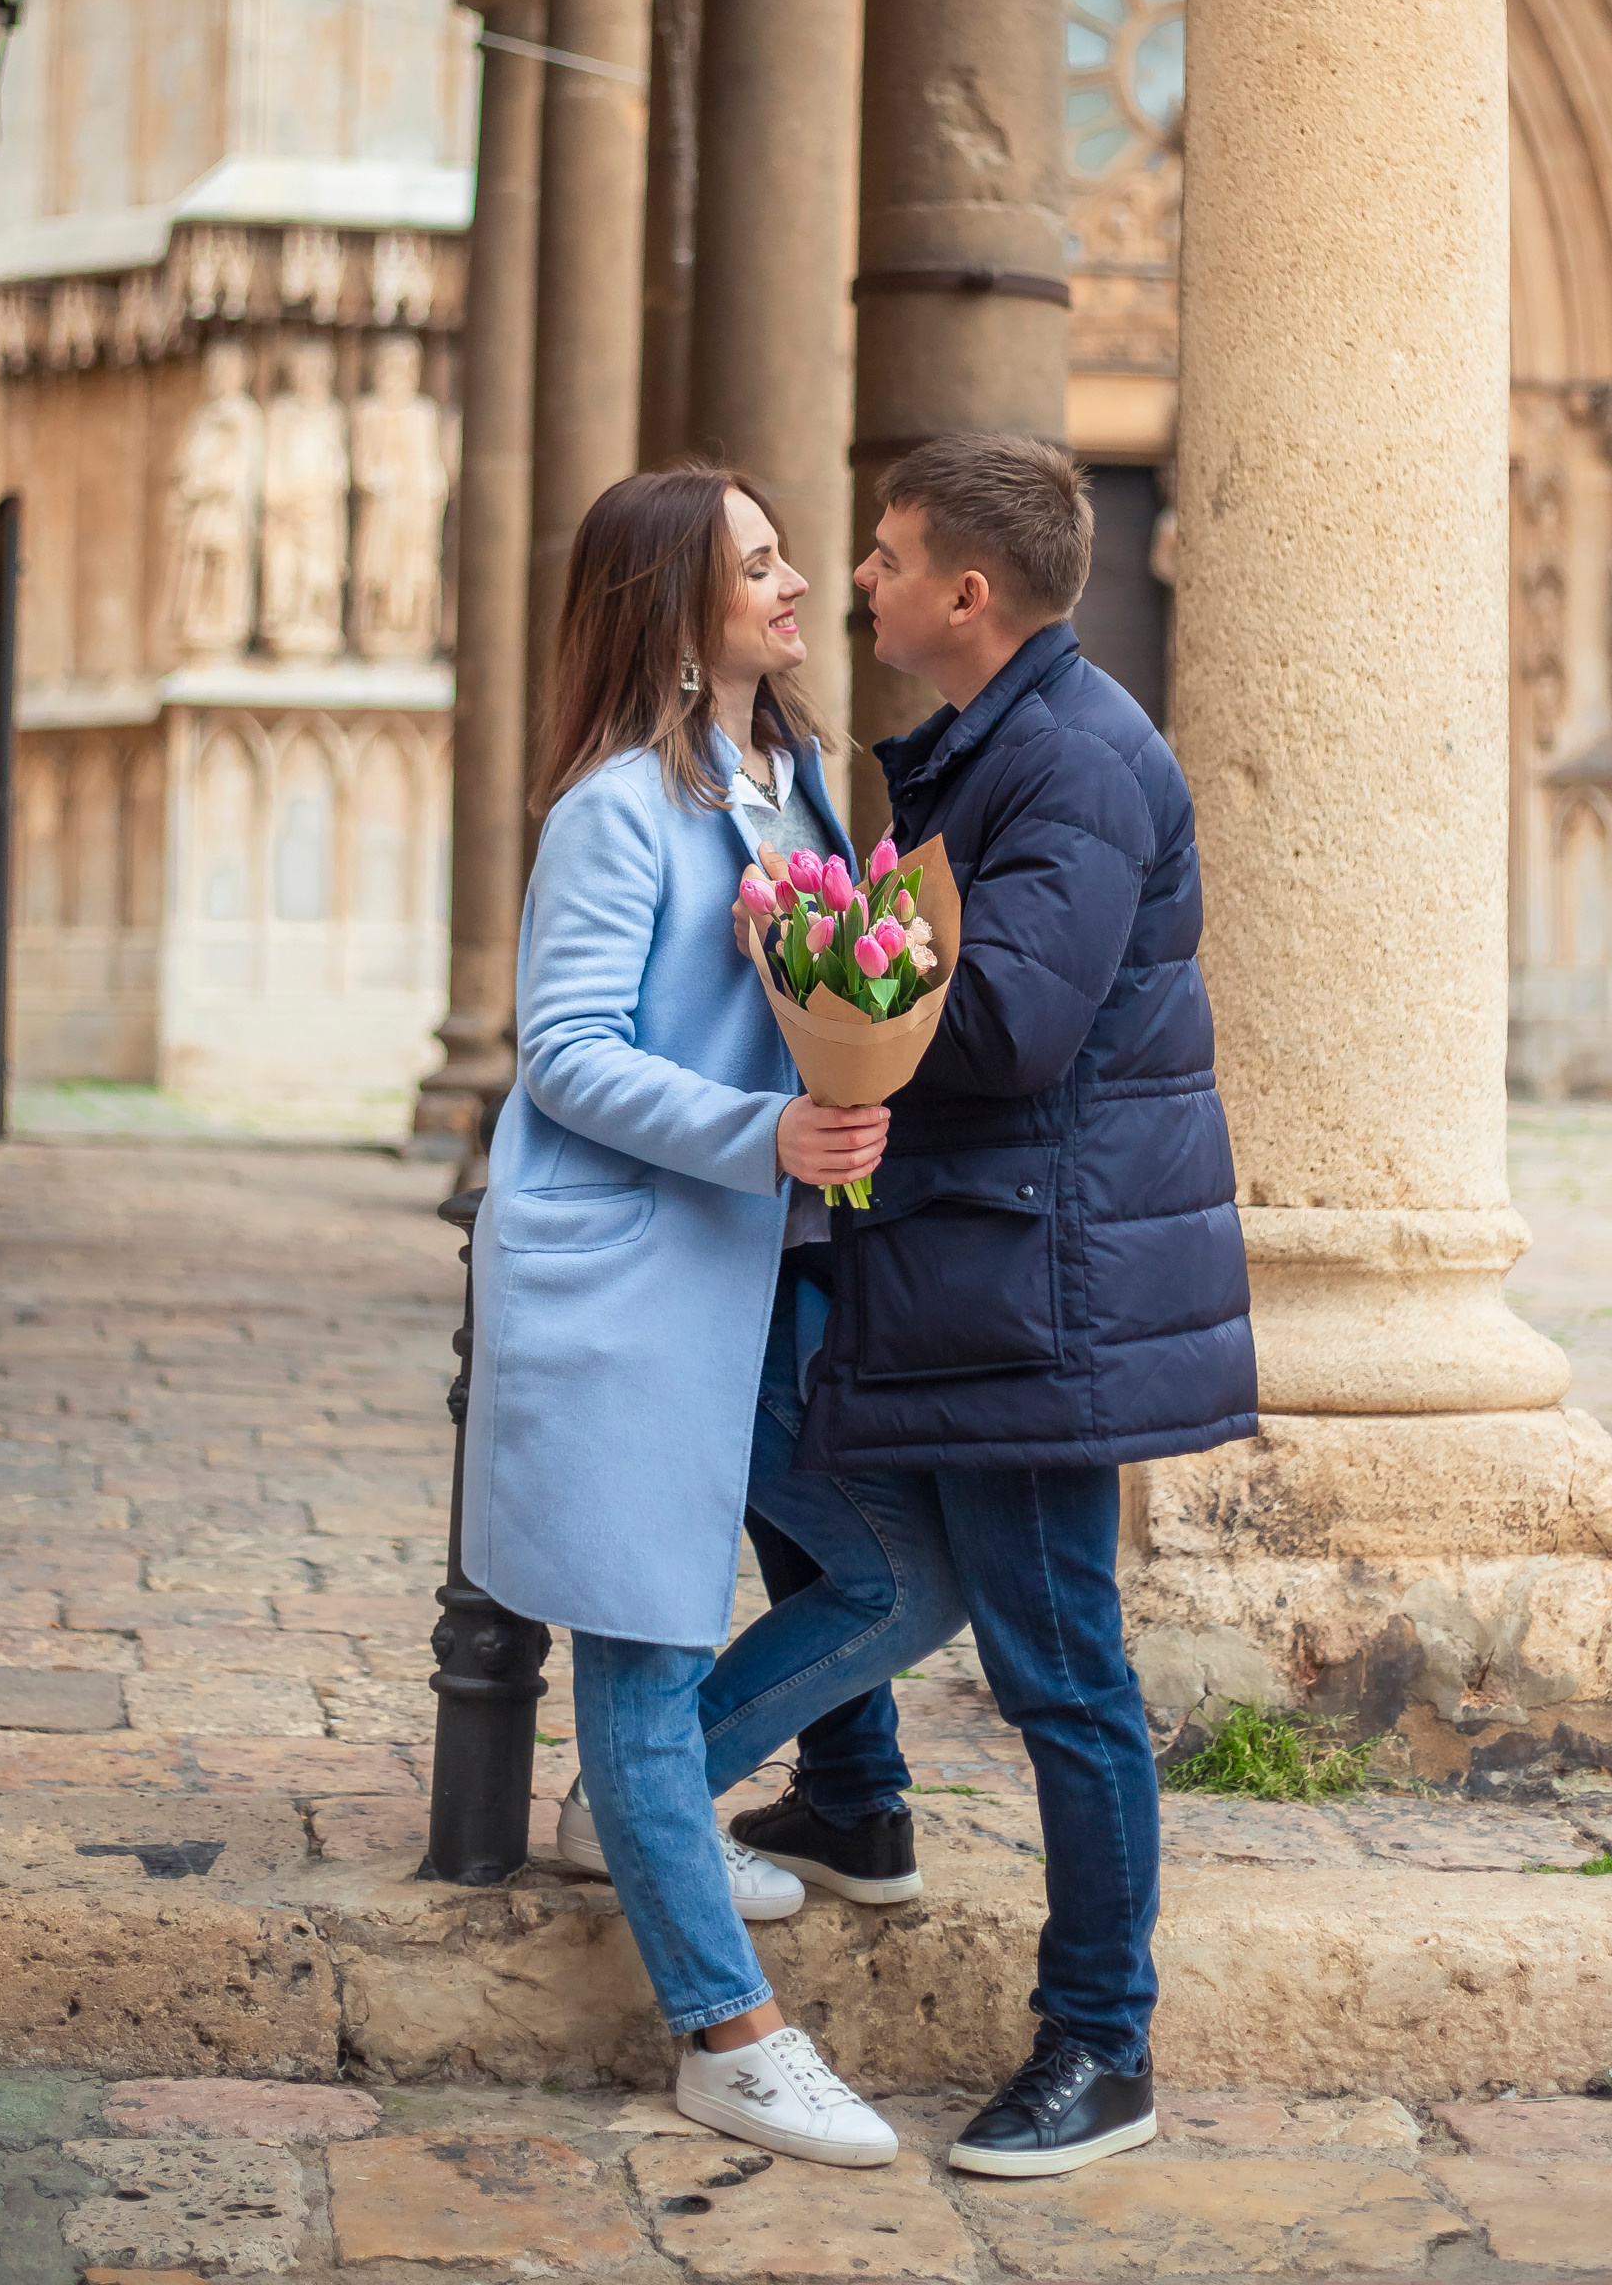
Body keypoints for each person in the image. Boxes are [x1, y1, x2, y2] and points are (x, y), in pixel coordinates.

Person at [720, 431, 1258, 2179]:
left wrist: (820, 988)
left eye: (879, 556)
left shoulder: (1081, 765)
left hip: (1047, 1286)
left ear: (966, 592)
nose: (854, 580)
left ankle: (1103, 2047)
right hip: (968, 1251)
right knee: (808, 1471)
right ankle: (859, 1800)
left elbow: (1015, 1023)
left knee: (1065, 1674)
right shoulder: (985, 745)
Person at [460, 462, 901, 2167]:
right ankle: (728, 2033)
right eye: (762, 565)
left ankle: (637, 1818)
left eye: (791, 560)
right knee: (642, 1649)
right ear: (673, 603)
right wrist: (767, 1134)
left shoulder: (794, 786)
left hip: (772, 1273)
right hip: (640, 1275)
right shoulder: (610, 812)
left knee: (890, 1563)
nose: (797, 588)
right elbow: (563, 1054)